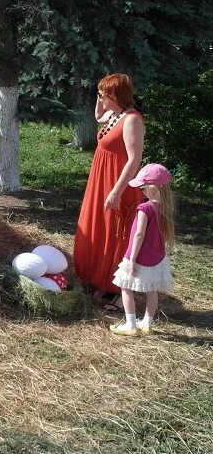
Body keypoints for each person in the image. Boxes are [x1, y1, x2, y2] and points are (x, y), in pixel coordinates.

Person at [74, 74, 145, 310]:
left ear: (115, 95)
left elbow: (134, 160)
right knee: (100, 228)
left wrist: (116, 191)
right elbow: (97, 117)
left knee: (117, 235)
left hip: (119, 184)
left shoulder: (132, 120)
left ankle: (115, 290)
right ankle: (98, 280)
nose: (101, 97)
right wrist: (98, 98)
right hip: (101, 180)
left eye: (104, 94)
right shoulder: (114, 115)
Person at [109, 163, 175, 336]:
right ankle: (147, 324)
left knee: (125, 287)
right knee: (152, 290)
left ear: (152, 189)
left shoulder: (145, 208)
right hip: (156, 258)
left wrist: (132, 259)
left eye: (143, 188)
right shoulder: (165, 208)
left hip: (138, 257)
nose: (141, 191)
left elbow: (139, 234)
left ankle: (130, 324)